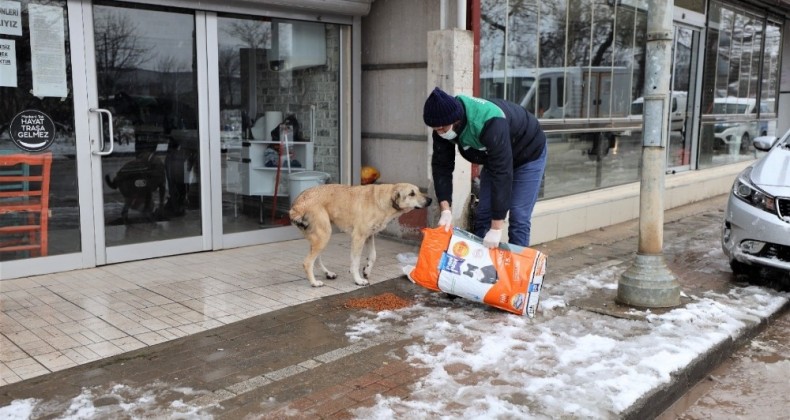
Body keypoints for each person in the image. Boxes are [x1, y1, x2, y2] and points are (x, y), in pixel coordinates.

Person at [423, 86, 547, 248]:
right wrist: (445, 208)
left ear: (456, 120)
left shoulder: (489, 122)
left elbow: (502, 174)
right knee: (483, 212)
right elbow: (441, 166)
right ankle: (481, 264)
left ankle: (517, 270)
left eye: (442, 128)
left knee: (518, 217)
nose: (439, 133)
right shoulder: (442, 123)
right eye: (435, 129)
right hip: (495, 155)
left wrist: (496, 228)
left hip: (528, 153)